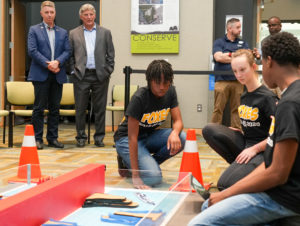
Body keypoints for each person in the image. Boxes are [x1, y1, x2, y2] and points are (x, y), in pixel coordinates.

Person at [188, 32, 300, 225]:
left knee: (199, 221)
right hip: (281, 184)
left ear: (269, 62)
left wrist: (226, 195)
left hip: (284, 197)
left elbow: (276, 172)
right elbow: (272, 163)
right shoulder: (291, 98)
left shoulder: (288, 104)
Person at [203, 49, 277, 191]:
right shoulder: (243, 96)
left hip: (263, 149)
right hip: (246, 143)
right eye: (235, 71)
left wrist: (255, 149)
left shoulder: (267, 97)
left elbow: (277, 134)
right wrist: (241, 131)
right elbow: (255, 123)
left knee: (224, 184)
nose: (238, 75)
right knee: (209, 130)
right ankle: (241, 166)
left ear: (254, 67)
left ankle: (248, 169)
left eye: (242, 70)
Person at [114, 60, 186, 189]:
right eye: (157, 83)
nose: (162, 87)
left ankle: (146, 165)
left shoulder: (171, 92)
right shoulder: (139, 98)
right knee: (154, 178)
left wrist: (174, 133)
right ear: (150, 80)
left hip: (149, 135)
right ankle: (127, 161)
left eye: (166, 82)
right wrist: (136, 176)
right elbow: (132, 138)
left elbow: (178, 121)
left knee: (182, 137)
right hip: (127, 139)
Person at [69, 3, 115, 148]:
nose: (89, 17)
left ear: (95, 15)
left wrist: (107, 70)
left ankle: (99, 137)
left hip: (100, 76)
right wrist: (73, 71)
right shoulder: (73, 33)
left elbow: (111, 55)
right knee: (80, 108)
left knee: (100, 108)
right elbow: (70, 55)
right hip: (81, 75)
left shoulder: (105, 32)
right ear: (81, 17)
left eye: (91, 14)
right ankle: (81, 137)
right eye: (86, 15)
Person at [27, 1, 71, 150]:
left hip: (57, 74)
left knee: (55, 108)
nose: (49, 15)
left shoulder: (63, 32)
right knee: (38, 108)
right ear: (41, 13)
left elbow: (67, 51)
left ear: (55, 13)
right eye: (47, 12)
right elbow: (32, 51)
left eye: (52, 12)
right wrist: (48, 64)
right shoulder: (34, 30)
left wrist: (57, 62)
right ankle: (37, 139)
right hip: (40, 74)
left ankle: (52, 138)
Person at [211, 18, 260, 130]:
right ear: (229, 28)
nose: (240, 30)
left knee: (237, 109)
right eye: (237, 27)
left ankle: (237, 133)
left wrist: (228, 55)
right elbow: (218, 57)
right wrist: (237, 57)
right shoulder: (219, 42)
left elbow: (248, 58)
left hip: (238, 81)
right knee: (218, 108)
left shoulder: (243, 43)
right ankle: (212, 132)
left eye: (240, 27)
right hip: (221, 80)